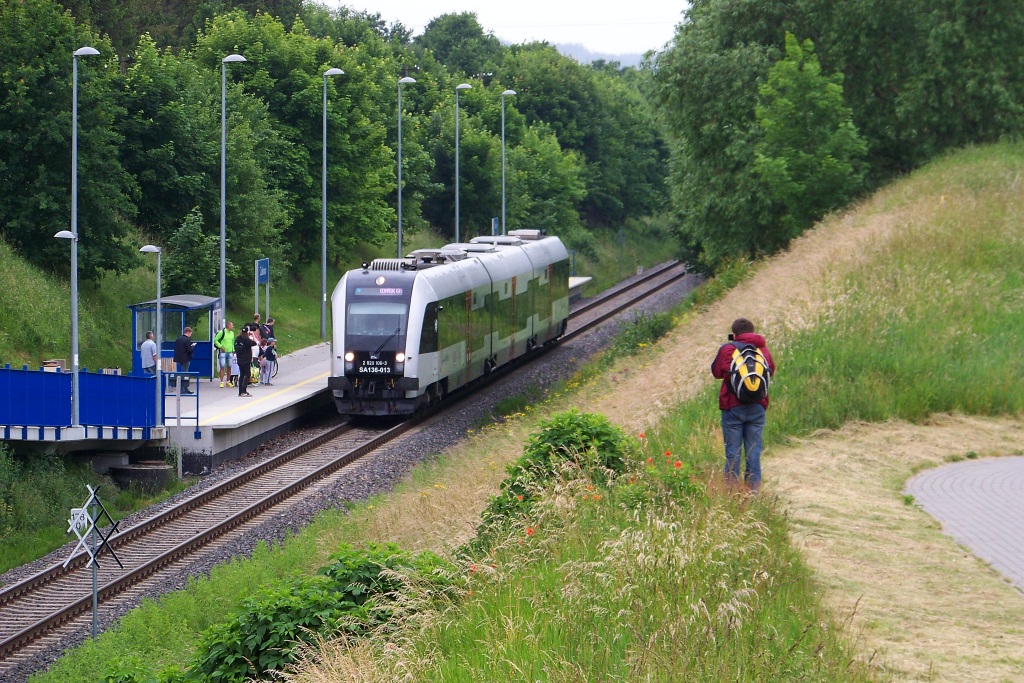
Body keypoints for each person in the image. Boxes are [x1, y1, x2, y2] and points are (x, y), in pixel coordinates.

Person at [711, 318, 776, 492]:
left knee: (733, 451)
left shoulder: (729, 349)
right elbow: (771, 371)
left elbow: (716, 372)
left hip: (732, 406)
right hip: (757, 407)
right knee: (753, 452)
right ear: (753, 331)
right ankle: (752, 492)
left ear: (735, 334)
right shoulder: (763, 349)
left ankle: (731, 492)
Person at [173, 326, 196, 394]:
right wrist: (192, 346)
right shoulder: (187, 340)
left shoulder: (178, 339)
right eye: (190, 333)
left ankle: (183, 388)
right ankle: (184, 389)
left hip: (179, 359)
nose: (190, 335)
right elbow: (189, 350)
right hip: (186, 359)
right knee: (185, 374)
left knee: (183, 373)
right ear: (188, 332)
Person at [214, 321, 236, 388]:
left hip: (229, 352)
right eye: (231, 325)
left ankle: (228, 381)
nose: (232, 326)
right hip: (223, 351)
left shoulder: (232, 333)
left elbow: (232, 342)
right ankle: (221, 381)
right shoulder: (222, 332)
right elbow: (216, 340)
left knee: (229, 366)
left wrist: (233, 350)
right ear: (228, 326)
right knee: (222, 366)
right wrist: (220, 346)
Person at [234, 328, 253, 397]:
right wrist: (251, 336)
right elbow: (254, 343)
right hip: (246, 359)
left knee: (242, 374)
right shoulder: (246, 340)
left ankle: (240, 391)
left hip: (239, 359)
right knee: (247, 374)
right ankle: (243, 390)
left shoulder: (237, 340)